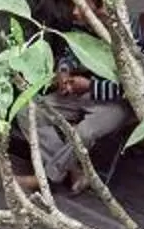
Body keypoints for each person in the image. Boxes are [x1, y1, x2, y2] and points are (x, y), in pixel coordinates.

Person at [22, 60, 130, 196]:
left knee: (84, 133)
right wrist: (63, 72)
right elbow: (70, 54)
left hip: (117, 103)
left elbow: (133, 89)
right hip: (81, 90)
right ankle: (73, 169)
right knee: (29, 111)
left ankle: (46, 179)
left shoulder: (139, 44)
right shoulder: (98, 37)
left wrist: (91, 86)